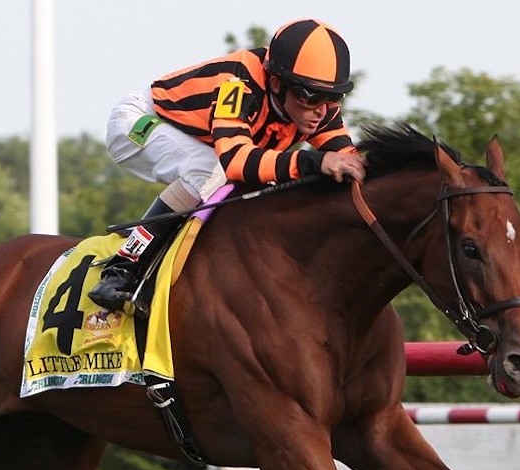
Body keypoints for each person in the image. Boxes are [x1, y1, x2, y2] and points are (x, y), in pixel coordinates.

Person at [89, 18, 368, 312]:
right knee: (209, 170)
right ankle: (124, 267)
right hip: (140, 122)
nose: (321, 110)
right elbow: (236, 162)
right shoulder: (237, 85)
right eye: (310, 96)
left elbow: (351, 162)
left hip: (201, 141)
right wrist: (315, 161)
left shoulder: (318, 108)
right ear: (276, 83)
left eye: (333, 97)